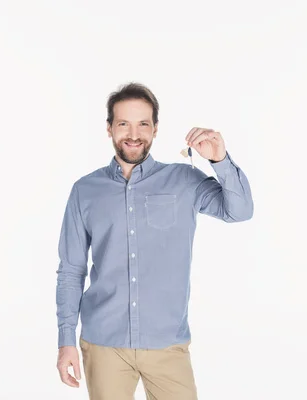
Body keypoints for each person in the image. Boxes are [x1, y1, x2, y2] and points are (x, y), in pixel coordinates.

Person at [55, 82, 254, 399]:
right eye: (124, 124)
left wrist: (220, 160)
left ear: (155, 129)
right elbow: (71, 270)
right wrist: (66, 340)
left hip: (167, 345)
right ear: (109, 129)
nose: (133, 134)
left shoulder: (185, 180)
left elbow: (240, 211)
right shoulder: (84, 190)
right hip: (104, 345)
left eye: (143, 124)